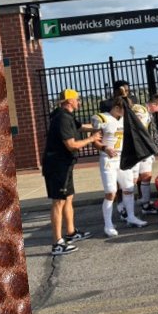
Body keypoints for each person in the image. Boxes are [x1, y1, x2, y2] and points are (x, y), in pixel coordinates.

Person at [42, 89, 101, 255]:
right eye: (77, 99)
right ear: (69, 101)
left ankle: (71, 232)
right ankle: (57, 243)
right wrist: (92, 139)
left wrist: (104, 124)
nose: (79, 101)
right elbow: (71, 145)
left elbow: (81, 127)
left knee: (68, 198)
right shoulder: (62, 118)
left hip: (65, 164)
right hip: (57, 166)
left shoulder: (67, 116)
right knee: (58, 202)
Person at [91, 101, 147, 237]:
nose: (126, 111)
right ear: (116, 107)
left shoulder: (126, 119)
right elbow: (94, 141)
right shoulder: (102, 118)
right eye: (124, 108)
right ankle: (108, 225)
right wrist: (105, 148)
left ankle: (131, 217)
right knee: (111, 192)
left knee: (128, 188)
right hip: (108, 159)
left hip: (123, 158)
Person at [130, 101, 158, 215]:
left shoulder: (145, 112)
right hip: (138, 147)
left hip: (143, 147)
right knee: (132, 179)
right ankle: (126, 207)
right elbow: (140, 130)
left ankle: (145, 204)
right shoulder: (141, 110)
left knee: (146, 176)